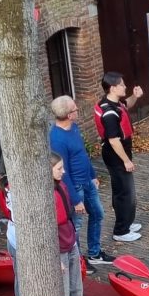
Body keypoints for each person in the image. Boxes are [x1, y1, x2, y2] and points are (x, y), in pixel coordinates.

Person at [49, 96, 113, 268]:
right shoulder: (57, 139)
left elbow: (82, 154)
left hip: (87, 182)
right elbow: (64, 171)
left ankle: (94, 253)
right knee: (75, 226)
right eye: (75, 109)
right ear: (69, 115)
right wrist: (76, 200)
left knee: (98, 214)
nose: (78, 111)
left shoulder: (74, 128)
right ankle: (79, 261)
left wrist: (92, 175)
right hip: (76, 187)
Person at [94, 73, 144, 243]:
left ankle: (127, 222)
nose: (125, 87)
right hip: (116, 156)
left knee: (122, 190)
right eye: (122, 85)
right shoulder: (109, 113)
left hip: (120, 153)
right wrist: (126, 161)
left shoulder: (114, 103)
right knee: (126, 193)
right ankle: (121, 231)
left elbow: (126, 105)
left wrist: (135, 97)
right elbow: (114, 141)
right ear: (113, 88)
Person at [51, 154, 84, 296]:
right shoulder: (48, 195)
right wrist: (56, 258)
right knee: (63, 290)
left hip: (70, 241)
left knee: (76, 286)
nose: (63, 171)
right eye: (59, 168)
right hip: (61, 247)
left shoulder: (61, 186)